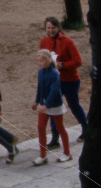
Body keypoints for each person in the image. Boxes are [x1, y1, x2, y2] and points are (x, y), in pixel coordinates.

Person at [39, 16, 88, 144]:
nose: (50, 30)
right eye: (48, 28)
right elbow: (41, 59)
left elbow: (78, 61)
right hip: (54, 81)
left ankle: (86, 128)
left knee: (73, 104)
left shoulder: (67, 41)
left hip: (70, 79)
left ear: (58, 27)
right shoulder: (44, 42)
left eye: (53, 28)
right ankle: (55, 137)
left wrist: (64, 65)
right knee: (53, 107)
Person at [32, 49, 73, 165]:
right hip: (44, 104)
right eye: (38, 61)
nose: (40, 63)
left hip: (54, 104)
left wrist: (46, 105)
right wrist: (36, 101)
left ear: (49, 60)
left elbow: (54, 91)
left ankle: (67, 153)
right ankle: (43, 155)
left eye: (42, 61)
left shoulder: (54, 74)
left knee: (60, 127)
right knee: (40, 127)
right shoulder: (41, 72)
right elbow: (40, 88)